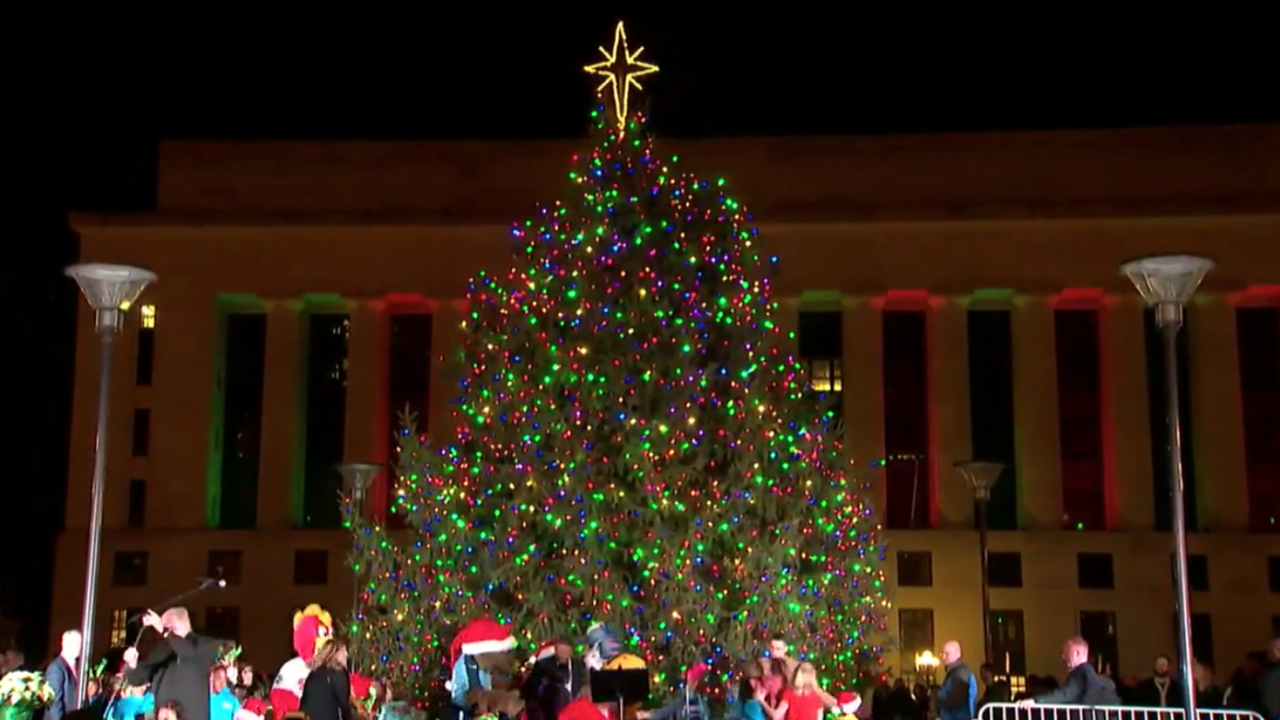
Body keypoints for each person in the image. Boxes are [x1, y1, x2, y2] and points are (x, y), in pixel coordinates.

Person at [123, 608, 222, 720]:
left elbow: (189, 653)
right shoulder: (161, 651)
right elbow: (137, 678)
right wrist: (132, 664)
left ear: (181, 625)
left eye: (169, 628)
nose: (162, 634)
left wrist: (163, 630)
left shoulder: (203, 645)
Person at [1016, 637, 1119, 708]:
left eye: (1065, 652)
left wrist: (1035, 701)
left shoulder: (1081, 672)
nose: (1063, 657)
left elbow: (1066, 693)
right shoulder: (1099, 680)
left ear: (1077, 653)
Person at [299, 640, 352, 720]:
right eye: (344, 651)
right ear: (335, 654)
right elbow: (344, 705)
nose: (346, 655)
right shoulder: (338, 674)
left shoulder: (313, 674)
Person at [45, 629, 83, 720]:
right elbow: (54, 703)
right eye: (74, 643)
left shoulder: (76, 667)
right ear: (64, 643)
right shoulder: (56, 668)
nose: (78, 646)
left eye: (79, 643)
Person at [937, 641, 976, 720]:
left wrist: (938, 698)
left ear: (958, 653)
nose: (943, 657)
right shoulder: (956, 672)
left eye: (947, 654)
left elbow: (957, 701)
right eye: (942, 653)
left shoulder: (960, 674)